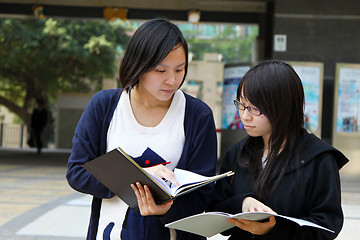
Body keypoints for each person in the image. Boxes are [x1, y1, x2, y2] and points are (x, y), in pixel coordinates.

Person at [66, 18, 217, 240]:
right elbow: (77, 172)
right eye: (160, 70)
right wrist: (140, 177)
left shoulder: (198, 115)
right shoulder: (105, 105)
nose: (172, 80)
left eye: (180, 69)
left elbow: (203, 195)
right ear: (139, 65)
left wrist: (167, 209)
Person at [209, 60, 349, 240]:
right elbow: (216, 210)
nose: (244, 115)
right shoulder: (238, 153)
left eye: (254, 108)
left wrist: (273, 231)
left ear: (282, 108)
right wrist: (243, 202)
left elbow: (327, 226)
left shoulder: (319, 159)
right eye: (241, 104)